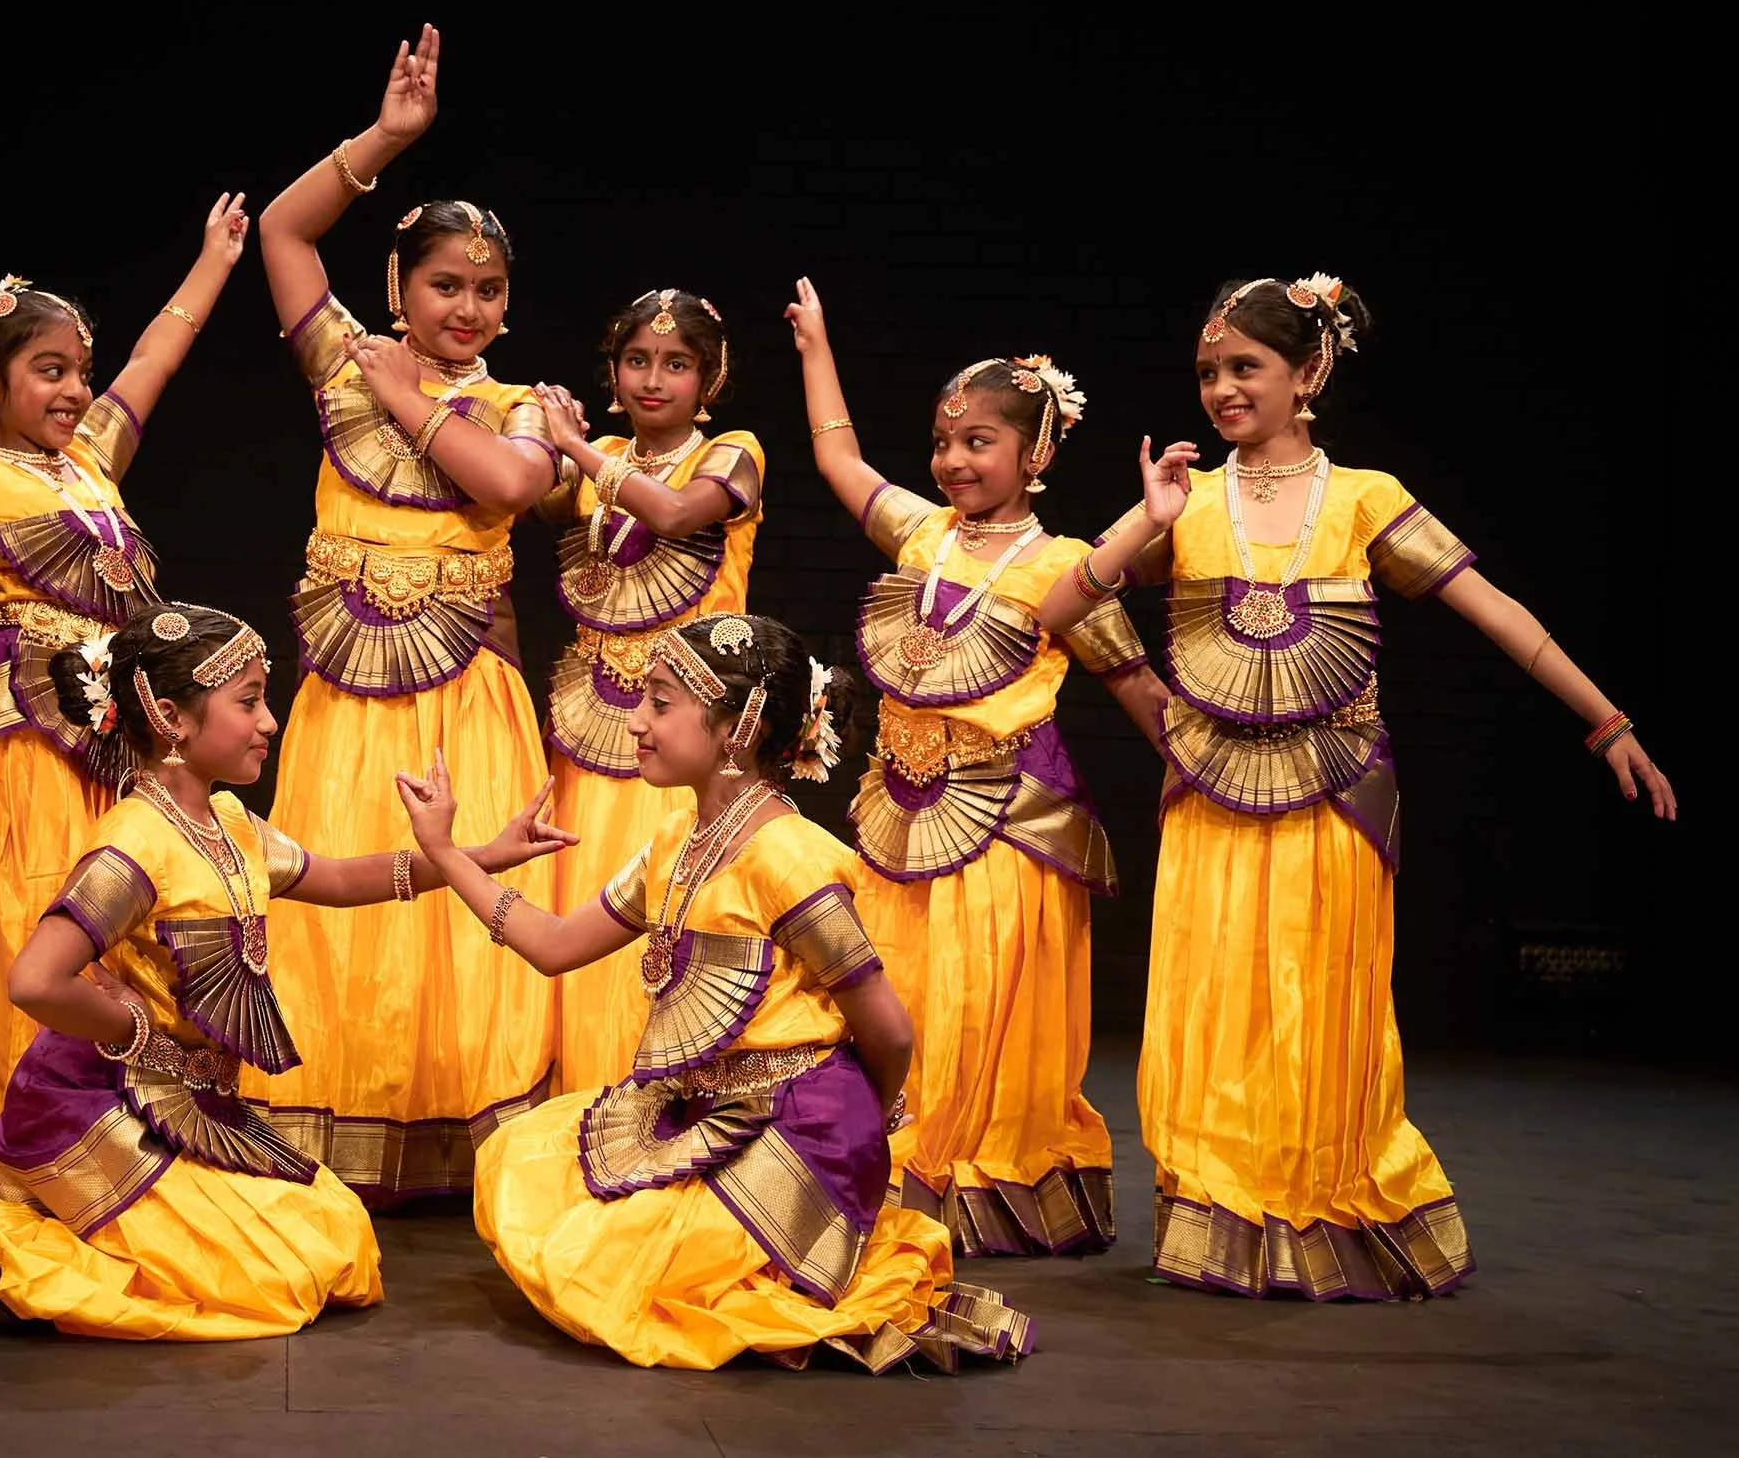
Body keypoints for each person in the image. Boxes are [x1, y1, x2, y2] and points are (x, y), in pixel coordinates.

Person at [1086, 271, 1677, 1298]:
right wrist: (1147, 523)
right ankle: (1225, 1210)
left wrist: (1605, 718)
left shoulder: (1362, 498)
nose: (1222, 389)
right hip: (1212, 796)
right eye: (1207, 372)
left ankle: (1317, 1204)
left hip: (1334, 792)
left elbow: (1494, 611)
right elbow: (1071, 595)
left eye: (1244, 368)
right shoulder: (1190, 499)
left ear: (1308, 370)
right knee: (1211, 1000)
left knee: (1317, 1002)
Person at [0, 605, 574, 1338]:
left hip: (186, 1106)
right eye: (248, 702)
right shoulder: (135, 843)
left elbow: (342, 879)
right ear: (172, 719)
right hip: (93, 1109)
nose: (269, 722)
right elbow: (34, 982)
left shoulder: (229, 824)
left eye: (265, 701)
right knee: (273, 1279)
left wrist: (469, 854)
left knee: (338, 1240)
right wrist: (139, 1031)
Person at [406, 613, 1037, 1372]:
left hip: (801, 1130)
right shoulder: (678, 843)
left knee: (618, 1270)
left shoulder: (792, 859)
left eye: (661, 703)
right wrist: (445, 851)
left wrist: (862, 1130)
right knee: (523, 1161)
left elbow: (891, 1033)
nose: (635, 721)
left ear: (739, 726)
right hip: (702, 1110)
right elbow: (553, 946)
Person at [0, 195, 250, 1223]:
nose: (76, 389)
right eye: (49, 369)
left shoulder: (90, 462)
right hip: (20, 740)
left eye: (80, 369)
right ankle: (3, 1149)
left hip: (112, 739)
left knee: (107, 928)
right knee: (14, 923)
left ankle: (105, 1140)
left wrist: (213, 259)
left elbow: (157, 361)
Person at [788, 277, 1182, 1259]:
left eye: (979, 441)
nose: (954, 458)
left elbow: (1138, 686)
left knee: (976, 1006)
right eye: (944, 439)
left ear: (1035, 453)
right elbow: (837, 455)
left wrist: (1203, 771)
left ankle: (971, 1175)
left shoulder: (1061, 563)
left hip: (1008, 824)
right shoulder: (920, 533)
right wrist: (816, 347)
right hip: (901, 816)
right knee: (895, 989)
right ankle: (886, 1156)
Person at [246, 25, 562, 1199]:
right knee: (342, 892)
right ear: (397, 286)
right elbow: (282, 230)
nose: (465, 308)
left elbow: (517, 486)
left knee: (458, 907)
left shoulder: (522, 404)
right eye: (443, 285)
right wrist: (385, 139)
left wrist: (415, 403)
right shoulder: (342, 362)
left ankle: (457, 1130)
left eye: (486, 290)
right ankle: (339, 1114)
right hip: (346, 689)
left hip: (464, 693)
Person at [529, 289, 765, 1092]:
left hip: (692, 737)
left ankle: (659, 1098)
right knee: (586, 902)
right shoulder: (595, 457)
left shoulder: (732, 454)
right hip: (595, 721)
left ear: (710, 377)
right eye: (636, 361)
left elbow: (668, 512)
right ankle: (580, 1098)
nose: (652, 380)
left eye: (676, 364)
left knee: (667, 911)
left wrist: (579, 450)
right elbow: (517, 494)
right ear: (613, 370)